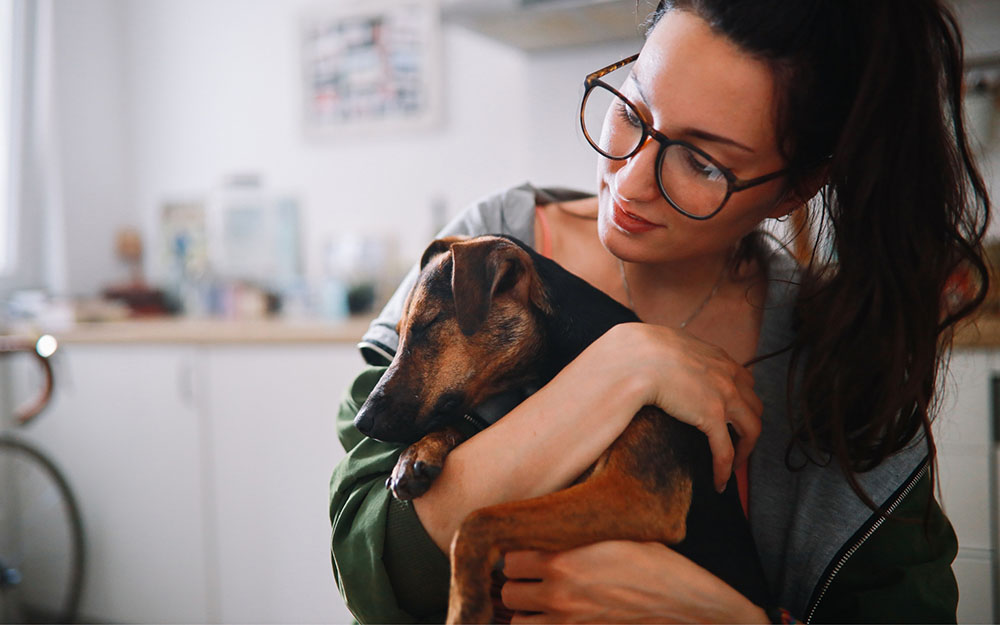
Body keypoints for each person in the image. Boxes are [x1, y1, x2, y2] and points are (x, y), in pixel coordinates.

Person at [329, 0, 990, 622]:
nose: (630, 179)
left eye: (702, 162)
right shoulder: (488, 249)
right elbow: (370, 566)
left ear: (797, 188)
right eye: (633, 109)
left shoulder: (839, 351)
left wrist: (733, 619)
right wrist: (621, 364)